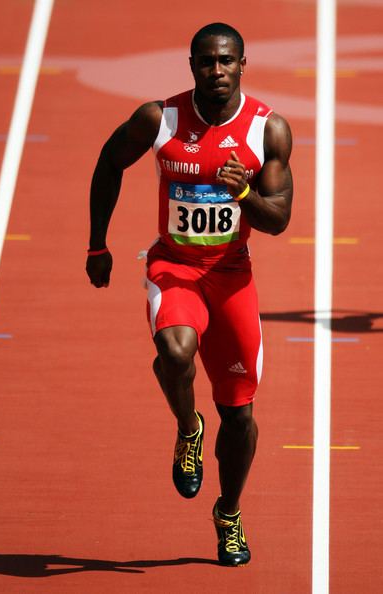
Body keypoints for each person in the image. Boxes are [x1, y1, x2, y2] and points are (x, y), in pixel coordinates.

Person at [86, 22, 293, 567]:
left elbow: (278, 220)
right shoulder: (161, 119)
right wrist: (96, 245)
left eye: (227, 61)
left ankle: (228, 512)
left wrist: (243, 191)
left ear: (242, 65)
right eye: (207, 62)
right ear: (192, 66)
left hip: (232, 276)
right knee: (175, 352)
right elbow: (110, 160)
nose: (217, 71)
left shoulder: (268, 130)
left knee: (241, 417)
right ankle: (187, 428)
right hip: (174, 266)